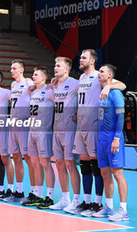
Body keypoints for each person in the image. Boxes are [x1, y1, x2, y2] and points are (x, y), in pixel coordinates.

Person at [68, 49, 126, 216]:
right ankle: (86, 202)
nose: (80, 59)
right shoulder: (82, 77)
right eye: (80, 57)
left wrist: (108, 86)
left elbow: (122, 85)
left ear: (92, 61)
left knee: (100, 168)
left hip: (96, 127)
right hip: (81, 126)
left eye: (84, 57)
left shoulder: (99, 76)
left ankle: (99, 203)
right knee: (84, 165)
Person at [92, 64, 129, 222]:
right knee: (105, 173)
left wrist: (117, 138)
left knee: (117, 173)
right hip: (101, 139)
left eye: (101, 71)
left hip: (113, 138)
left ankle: (123, 210)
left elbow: (121, 117)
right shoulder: (101, 91)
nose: (98, 74)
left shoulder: (115, 93)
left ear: (110, 75)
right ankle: (108, 207)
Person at [48, 57, 81, 211]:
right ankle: (65, 198)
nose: (55, 68)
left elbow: (89, 96)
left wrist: (80, 113)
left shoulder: (75, 83)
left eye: (58, 65)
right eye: (55, 65)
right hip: (56, 129)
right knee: (59, 164)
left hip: (69, 129)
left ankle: (77, 199)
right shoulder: (55, 85)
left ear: (66, 69)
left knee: (70, 163)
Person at [21, 66, 55, 209]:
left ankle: (50, 196)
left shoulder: (49, 91)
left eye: (36, 75)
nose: (33, 77)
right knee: (35, 164)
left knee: (45, 163)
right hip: (32, 130)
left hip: (43, 131)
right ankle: (38, 194)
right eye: (33, 75)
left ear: (43, 77)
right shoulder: (33, 91)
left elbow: (61, 104)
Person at [5, 59, 36, 204]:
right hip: (13, 123)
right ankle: (19, 190)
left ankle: (34, 191)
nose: (12, 70)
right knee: (15, 157)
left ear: (22, 70)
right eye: (11, 68)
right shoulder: (13, 85)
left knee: (28, 158)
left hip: (24, 124)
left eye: (14, 68)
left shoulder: (29, 82)